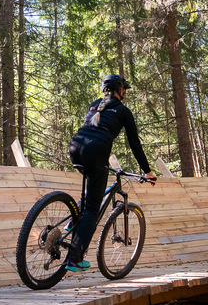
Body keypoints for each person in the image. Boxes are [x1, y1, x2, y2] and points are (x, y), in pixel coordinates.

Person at [66, 74, 157, 272]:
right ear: (120, 90)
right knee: (92, 208)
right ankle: (74, 259)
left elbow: (90, 127)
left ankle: (72, 221)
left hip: (76, 146)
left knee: (91, 189)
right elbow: (135, 143)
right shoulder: (123, 110)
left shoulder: (94, 104)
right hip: (96, 150)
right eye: (124, 89)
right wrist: (147, 171)